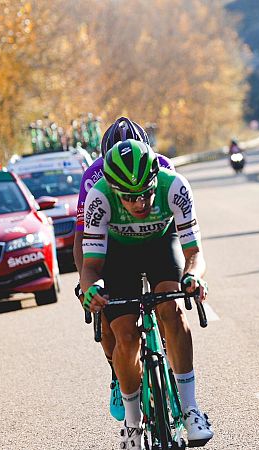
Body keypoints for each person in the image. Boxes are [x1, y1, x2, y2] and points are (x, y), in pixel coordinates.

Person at [80, 140, 213, 449]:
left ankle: (192, 410)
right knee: (124, 334)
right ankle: (132, 422)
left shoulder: (174, 186)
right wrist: (92, 289)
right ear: (114, 190)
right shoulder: (99, 198)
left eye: (145, 194)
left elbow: (194, 253)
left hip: (161, 246)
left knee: (173, 310)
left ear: (156, 180)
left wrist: (193, 277)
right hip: (118, 256)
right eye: (128, 198)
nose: (139, 204)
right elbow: (91, 266)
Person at [73, 117, 175, 423]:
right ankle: (118, 376)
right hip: (113, 243)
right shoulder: (94, 176)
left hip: (155, 239)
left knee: (168, 302)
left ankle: (169, 362)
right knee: (108, 311)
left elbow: (179, 214)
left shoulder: (162, 166)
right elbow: (82, 235)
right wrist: (85, 282)